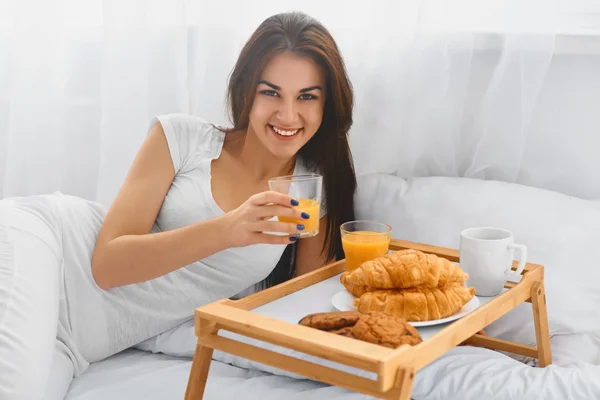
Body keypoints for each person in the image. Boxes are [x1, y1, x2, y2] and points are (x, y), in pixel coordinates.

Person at [0, 11, 357, 400]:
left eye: (307, 96)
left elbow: (303, 312)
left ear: (326, 106)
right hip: (51, 253)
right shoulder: (182, 138)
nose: (288, 114)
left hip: (83, 344)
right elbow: (106, 266)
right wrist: (226, 231)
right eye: (270, 92)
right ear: (246, 92)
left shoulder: (310, 191)